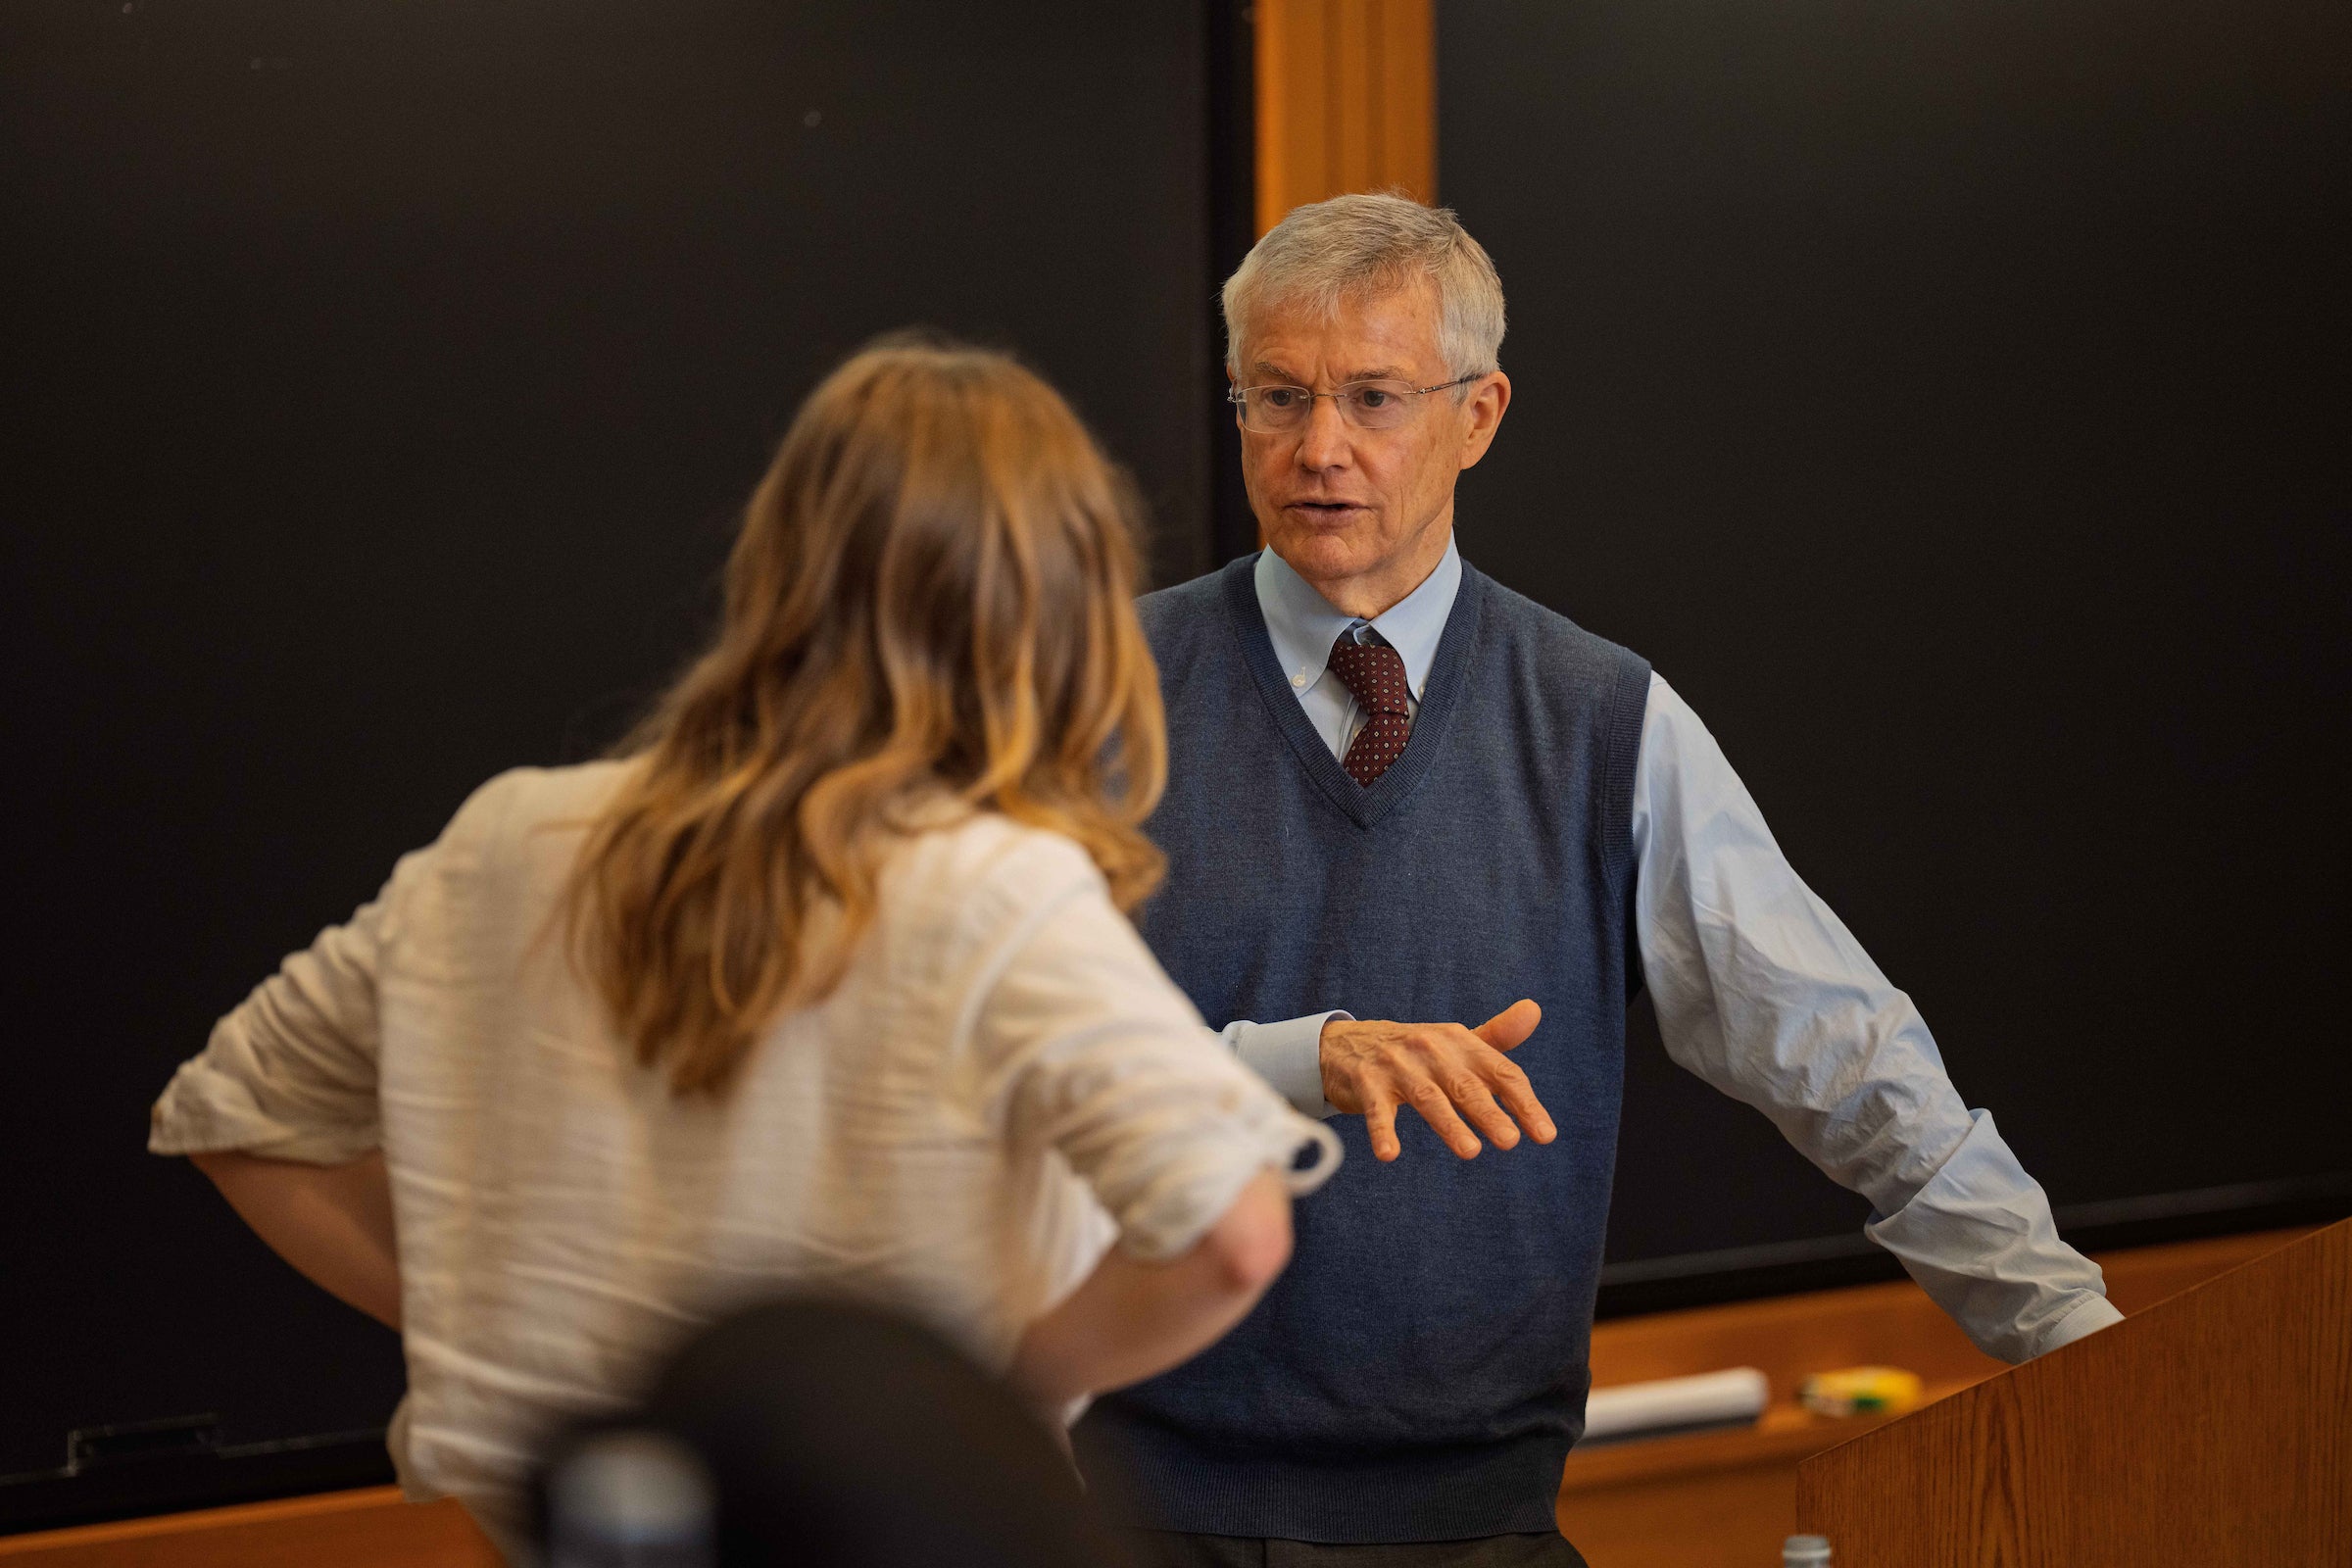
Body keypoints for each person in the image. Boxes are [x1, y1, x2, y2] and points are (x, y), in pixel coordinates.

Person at [148, 336, 1341, 1555]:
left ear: (778, 559)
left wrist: (476, 1317)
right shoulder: (991, 885)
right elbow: (1231, 1230)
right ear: (1065, 605)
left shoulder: (508, 839)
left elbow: (240, 1116)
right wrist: (973, 1394)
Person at [1073, 194, 2124, 1564]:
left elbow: (1849, 1063)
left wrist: (2081, 1348)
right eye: (1277, 397)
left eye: (1374, 398)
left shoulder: (1602, 719)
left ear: (1480, 413)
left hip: (1481, 1524)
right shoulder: (1093, 696)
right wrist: (1295, 1061)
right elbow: (993, 1084)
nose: (1318, 449)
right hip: (1125, 1514)